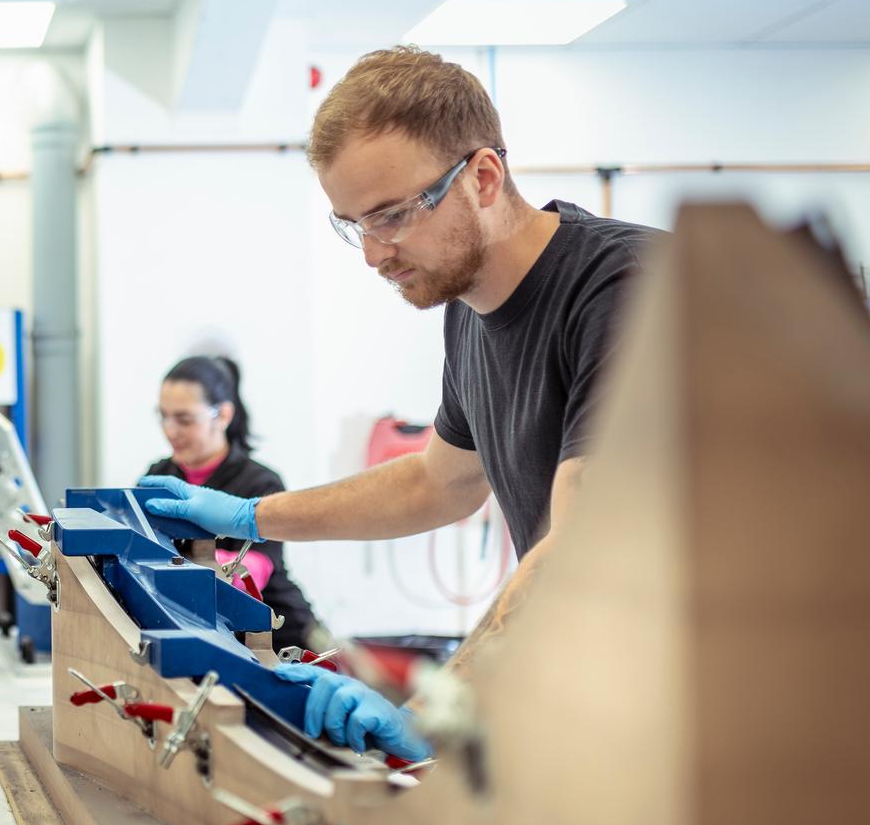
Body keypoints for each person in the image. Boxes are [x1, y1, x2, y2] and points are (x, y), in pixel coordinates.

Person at [140, 45, 665, 761]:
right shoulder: (471, 311)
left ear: (483, 176)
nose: (372, 254)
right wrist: (249, 515)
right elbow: (436, 483)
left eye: (391, 216)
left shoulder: (627, 290)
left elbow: (581, 552)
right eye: (353, 224)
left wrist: (438, 711)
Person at [139, 355, 319, 650]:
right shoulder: (158, 478)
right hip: (202, 635)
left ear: (222, 415)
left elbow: (249, 574)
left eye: (184, 419)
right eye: (163, 416)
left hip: (277, 638)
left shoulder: (261, 483)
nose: (170, 430)